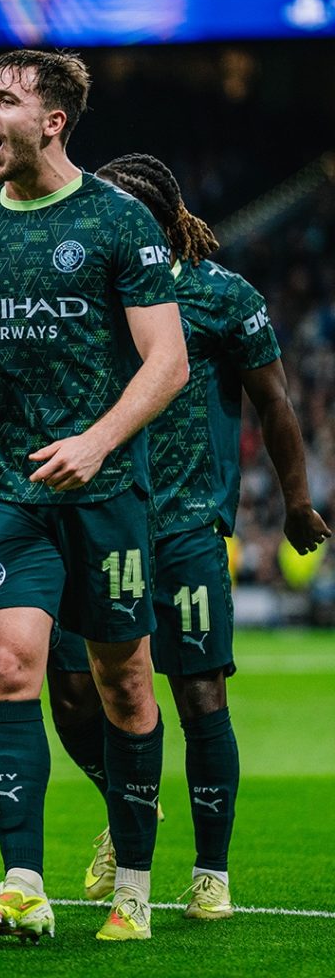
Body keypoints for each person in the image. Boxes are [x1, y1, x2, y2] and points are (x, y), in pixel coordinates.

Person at [0, 49, 188, 943]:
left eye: (6, 101)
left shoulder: (116, 219)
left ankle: (133, 885)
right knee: (9, 671)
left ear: (54, 121)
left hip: (106, 493)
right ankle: (22, 880)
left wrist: (97, 442)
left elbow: (168, 363)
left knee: (124, 682)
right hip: (6, 490)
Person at [48, 152, 330, 920]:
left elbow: (275, 402)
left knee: (200, 695)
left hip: (184, 524)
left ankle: (211, 874)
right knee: (72, 691)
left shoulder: (220, 295)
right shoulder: (85, 293)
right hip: (102, 518)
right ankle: (128, 807)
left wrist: (297, 502)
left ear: (160, 220)